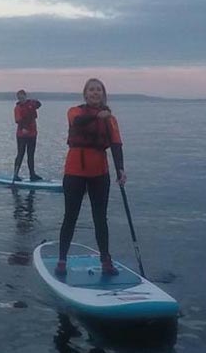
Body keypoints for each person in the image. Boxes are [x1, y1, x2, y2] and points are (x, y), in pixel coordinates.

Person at [56, 78, 124, 278]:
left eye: (99, 90)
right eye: (91, 90)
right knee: (70, 216)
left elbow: (116, 145)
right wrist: (99, 116)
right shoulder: (74, 111)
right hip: (75, 172)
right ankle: (62, 259)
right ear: (85, 94)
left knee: (100, 218)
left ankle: (105, 260)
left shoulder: (110, 119)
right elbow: (78, 123)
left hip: (99, 173)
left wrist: (120, 168)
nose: (95, 93)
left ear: (103, 94)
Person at [11, 89, 44, 182]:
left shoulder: (31, 104)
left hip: (32, 134)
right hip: (22, 135)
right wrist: (24, 128)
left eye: (22, 97)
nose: (21, 99)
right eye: (19, 98)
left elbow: (39, 105)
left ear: (25, 96)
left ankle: (32, 174)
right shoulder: (17, 108)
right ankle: (15, 175)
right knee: (20, 154)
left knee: (31, 155)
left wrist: (34, 102)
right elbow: (18, 120)